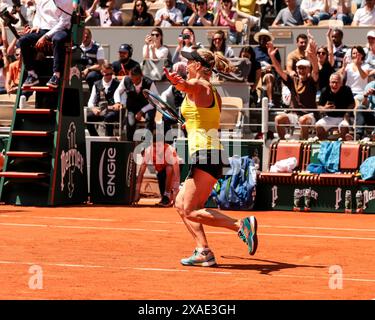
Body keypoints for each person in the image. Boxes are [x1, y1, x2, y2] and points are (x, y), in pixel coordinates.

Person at [164, 48, 258, 267]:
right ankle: (203, 250)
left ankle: (241, 225)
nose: (186, 65)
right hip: (208, 152)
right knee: (180, 204)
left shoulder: (201, 86)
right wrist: (190, 125)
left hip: (207, 154)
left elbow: (188, 86)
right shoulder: (212, 92)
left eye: (189, 62)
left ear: (198, 66)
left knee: (190, 209)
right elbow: (205, 121)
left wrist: (177, 83)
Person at [268, 37, 319, 140]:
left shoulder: (311, 80)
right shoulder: (293, 80)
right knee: (279, 119)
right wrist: (272, 57)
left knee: (303, 120)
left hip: (310, 115)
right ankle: (282, 142)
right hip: (294, 114)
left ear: (308, 69)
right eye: (299, 68)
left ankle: (303, 144)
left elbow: (316, 71)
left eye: (304, 68)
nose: (301, 70)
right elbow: (280, 71)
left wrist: (313, 56)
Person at [19, 0, 74, 89]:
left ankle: (56, 75)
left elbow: (63, 23)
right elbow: (38, 15)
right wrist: (36, 25)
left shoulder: (67, 2)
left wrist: (46, 36)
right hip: (44, 29)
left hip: (61, 29)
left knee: (57, 39)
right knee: (23, 40)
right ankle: (32, 74)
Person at [113, 64, 159, 141]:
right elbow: (117, 91)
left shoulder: (149, 83)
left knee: (149, 118)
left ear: (141, 75)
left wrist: (141, 111)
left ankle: (148, 142)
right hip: (132, 107)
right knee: (130, 122)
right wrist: (117, 102)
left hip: (147, 106)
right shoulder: (126, 80)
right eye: (132, 79)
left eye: (137, 79)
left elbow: (155, 101)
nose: (134, 82)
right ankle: (129, 144)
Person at [135, 136, 181, 207]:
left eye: (159, 146)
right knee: (161, 174)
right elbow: (141, 172)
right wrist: (137, 192)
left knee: (169, 168)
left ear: (164, 144)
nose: (156, 149)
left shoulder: (170, 151)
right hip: (161, 173)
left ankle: (168, 194)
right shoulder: (148, 151)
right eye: (154, 146)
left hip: (175, 171)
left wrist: (176, 190)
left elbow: (177, 174)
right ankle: (167, 197)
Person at [315, 72, 355, 140]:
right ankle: (325, 145)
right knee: (318, 126)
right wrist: (325, 108)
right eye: (332, 82)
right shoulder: (325, 90)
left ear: (341, 83)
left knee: (344, 126)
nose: (334, 84)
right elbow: (319, 106)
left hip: (343, 117)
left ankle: (342, 146)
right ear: (329, 83)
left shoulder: (347, 90)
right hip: (329, 117)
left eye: (337, 82)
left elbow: (352, 104)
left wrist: (347, 113)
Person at [86, 63, 120, 136]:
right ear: (102, 72)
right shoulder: (96, 84)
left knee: (109, 117)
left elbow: (120, 102)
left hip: (112, 112)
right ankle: (95, 138)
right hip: (100, 111)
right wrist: (93, 109)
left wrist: (115, 105)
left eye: (111, 74)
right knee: (88, 117)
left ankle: (109, 138)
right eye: (106, 74)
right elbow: (90, 101)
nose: (109, 76)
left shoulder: (117, 84)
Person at [253, 28, 281, 108]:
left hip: (269, 72)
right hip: (257, 71)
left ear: (268, 40)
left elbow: (278, 65)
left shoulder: (274, 50)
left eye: (264, 38)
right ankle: (258, 99)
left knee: (268, 77)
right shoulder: (254, 50)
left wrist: (270, 66)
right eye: (260, 38)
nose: (262, 40)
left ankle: (270, 101)